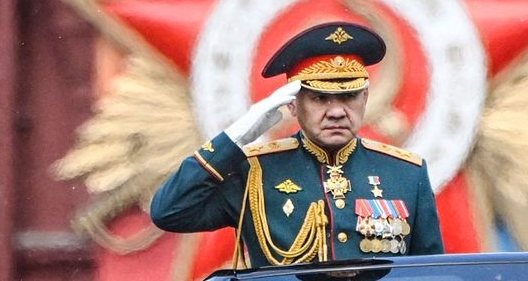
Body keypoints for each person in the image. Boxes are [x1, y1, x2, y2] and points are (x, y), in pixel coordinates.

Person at [150, 21, 444, 267]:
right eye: (319, 98)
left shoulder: (406, 173)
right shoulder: (255, 172)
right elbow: (170, 211)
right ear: (292, 106)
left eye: (349, 96)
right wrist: (235, 137)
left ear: (365, 98)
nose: (337, 111)